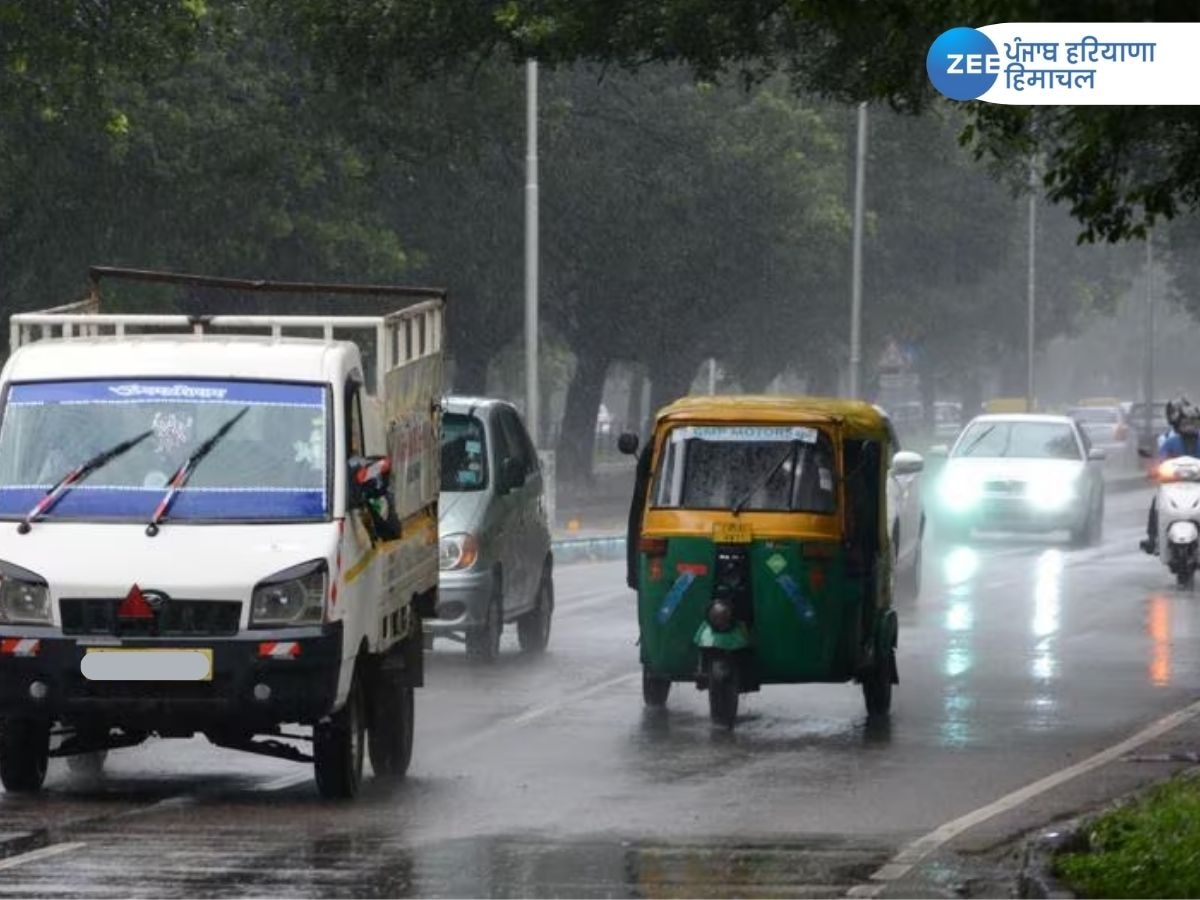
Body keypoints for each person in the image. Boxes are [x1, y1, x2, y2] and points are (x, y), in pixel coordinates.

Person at [1141, 397, 1200, 554]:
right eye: (1186, 423)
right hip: (1174, 485)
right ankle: (1152, 538)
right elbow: (1161, 460)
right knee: (1156, 502)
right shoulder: (1170, 442)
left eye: (1194, 422)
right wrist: (1154, 470)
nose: (1190, 426)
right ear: (1179, 424)